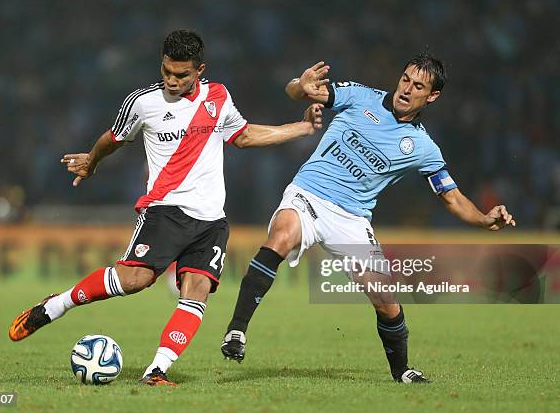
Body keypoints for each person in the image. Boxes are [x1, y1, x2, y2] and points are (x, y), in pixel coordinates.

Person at [8, 29, 323, 387]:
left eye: (181, 74)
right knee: (134, 280)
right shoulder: (143, 103)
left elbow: (244, 135)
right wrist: (92, 162)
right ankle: (56, 305)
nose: (172, 81)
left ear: (199, 70)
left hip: (211, 220)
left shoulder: (218, 97)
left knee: (197, 290)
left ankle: (156, 371)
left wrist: (299, 127)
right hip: (165, 211)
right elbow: (113, 138)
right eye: (166, 72)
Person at [221, 54, 516, 383]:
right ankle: (237, 331)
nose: (406, 89)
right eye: (405, 79)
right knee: (280, 237)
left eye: (418, 86)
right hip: (309, 194)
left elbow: (453, 198)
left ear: (432, 96)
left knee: (385, 301)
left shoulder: (422, 147)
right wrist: (298, 86)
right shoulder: (360, 96)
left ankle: (402, 371)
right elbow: (301, 91)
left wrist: (485, 220)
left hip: (351, 219)